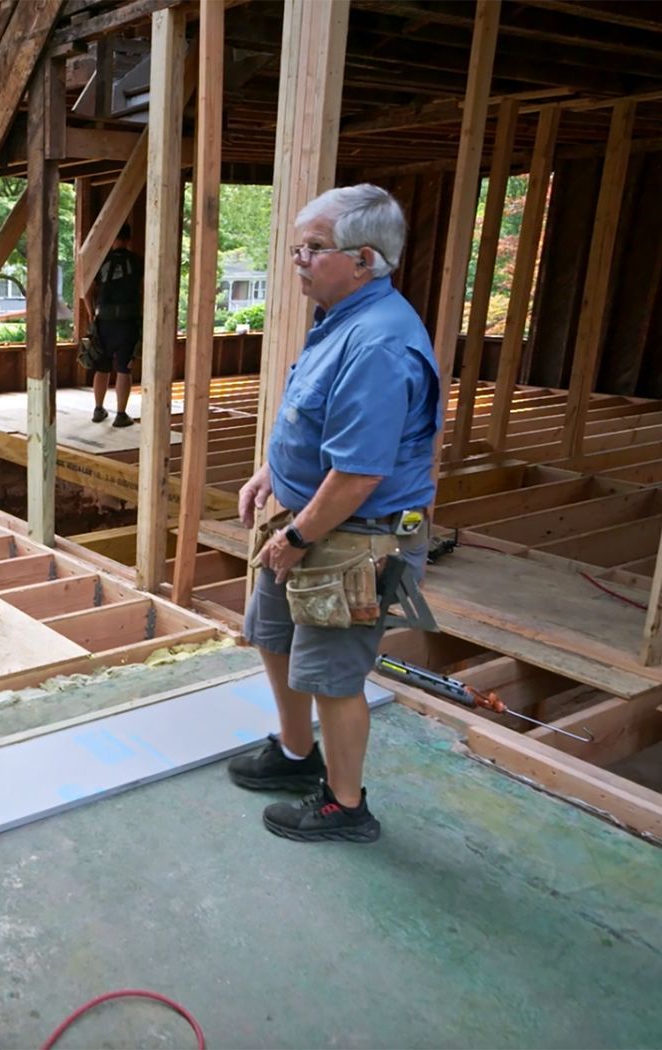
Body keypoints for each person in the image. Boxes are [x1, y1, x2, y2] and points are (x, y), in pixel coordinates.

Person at [229, 184, 439, 844]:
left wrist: (294, 535)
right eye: (297, 246)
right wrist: (273, 472)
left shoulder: (378, 345)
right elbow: (317, 424)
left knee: (333, 675)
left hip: (354, 537)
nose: (298, 259)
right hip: (310, 518)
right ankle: (297, 756)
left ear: (364, 258)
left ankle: (346, 806)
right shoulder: (341, 317)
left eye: (313, 248)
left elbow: (359, 474)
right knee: (273, 635)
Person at [90, 224, 142, 427]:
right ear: (129, 240)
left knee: (101, 367)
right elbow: (144, 289)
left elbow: (87, 291)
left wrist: (91, 315)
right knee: (124, 369)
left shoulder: (102, 261)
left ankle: (98, 409)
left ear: (113, 239)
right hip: (127, 323)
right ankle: (121, 414)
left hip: (103, 321)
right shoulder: (137, 262)